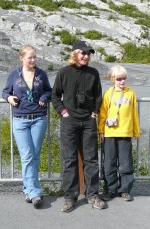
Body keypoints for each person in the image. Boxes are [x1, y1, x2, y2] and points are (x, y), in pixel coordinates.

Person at [52, 41, 107, 212]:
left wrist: (95, 113)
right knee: (69, 160)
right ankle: (70, 197)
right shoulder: (64, 73)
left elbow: (98, 95)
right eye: (83, 53)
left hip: (88, 121)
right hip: (70, 121)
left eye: (88, 54)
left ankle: (92, 195)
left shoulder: (93, 73)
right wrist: (63, 112)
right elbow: (55, 96)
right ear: (75, 54)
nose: (86, 56)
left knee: (91, 159)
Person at [2, 44, 52, 209]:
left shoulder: (41, 74)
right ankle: (35, 192)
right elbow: (5, 92)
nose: (33, 60)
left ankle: (27, 189)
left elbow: (49, 91)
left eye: (34, 57)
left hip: (38, 118)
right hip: (20, 119)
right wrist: (9, 98)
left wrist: (44, 97)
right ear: (21, 58)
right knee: (27, 156)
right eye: (30, 57)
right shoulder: (14, 75)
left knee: (34, 156)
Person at [98, 65, 140, 202]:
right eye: (119, 79)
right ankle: (110, 190)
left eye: (124, 78)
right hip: (109, 133)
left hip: (125, 133)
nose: (122, 81)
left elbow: (134, 114)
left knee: (125, 163)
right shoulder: (108, 94)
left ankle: (125, 190)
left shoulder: (131, 93)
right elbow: (103, 114)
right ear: (112, 79)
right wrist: (101, 131)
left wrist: (135, 131)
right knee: (109, 163)